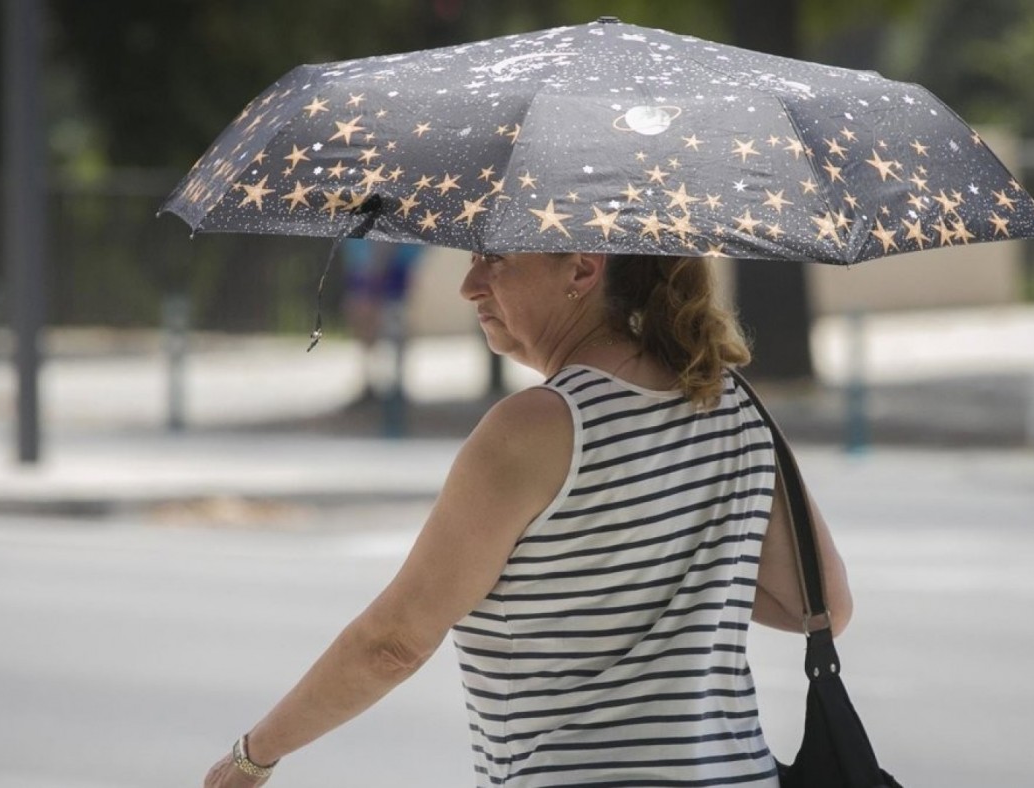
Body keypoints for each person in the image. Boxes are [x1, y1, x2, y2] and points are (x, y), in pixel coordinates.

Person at [205, 252, 853, 788]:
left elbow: (394, 642)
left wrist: (253, 756)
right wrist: (672, 570)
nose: (469, 284)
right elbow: (822, 605)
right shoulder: (732, 403)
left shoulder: (536, 427)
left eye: (496, 259)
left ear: (581, 267)